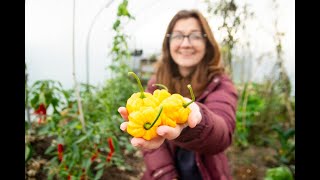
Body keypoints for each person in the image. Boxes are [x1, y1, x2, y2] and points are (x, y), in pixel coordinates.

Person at [118, 9, 238, 180]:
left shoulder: (220, 84)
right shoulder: (156, 83)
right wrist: (166, 175)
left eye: (195, 36)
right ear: (168, 43)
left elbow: (223, 133)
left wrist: (196, 120)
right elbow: (152, 142)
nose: (186, 43)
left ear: (207, 43)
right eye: (178, 36)